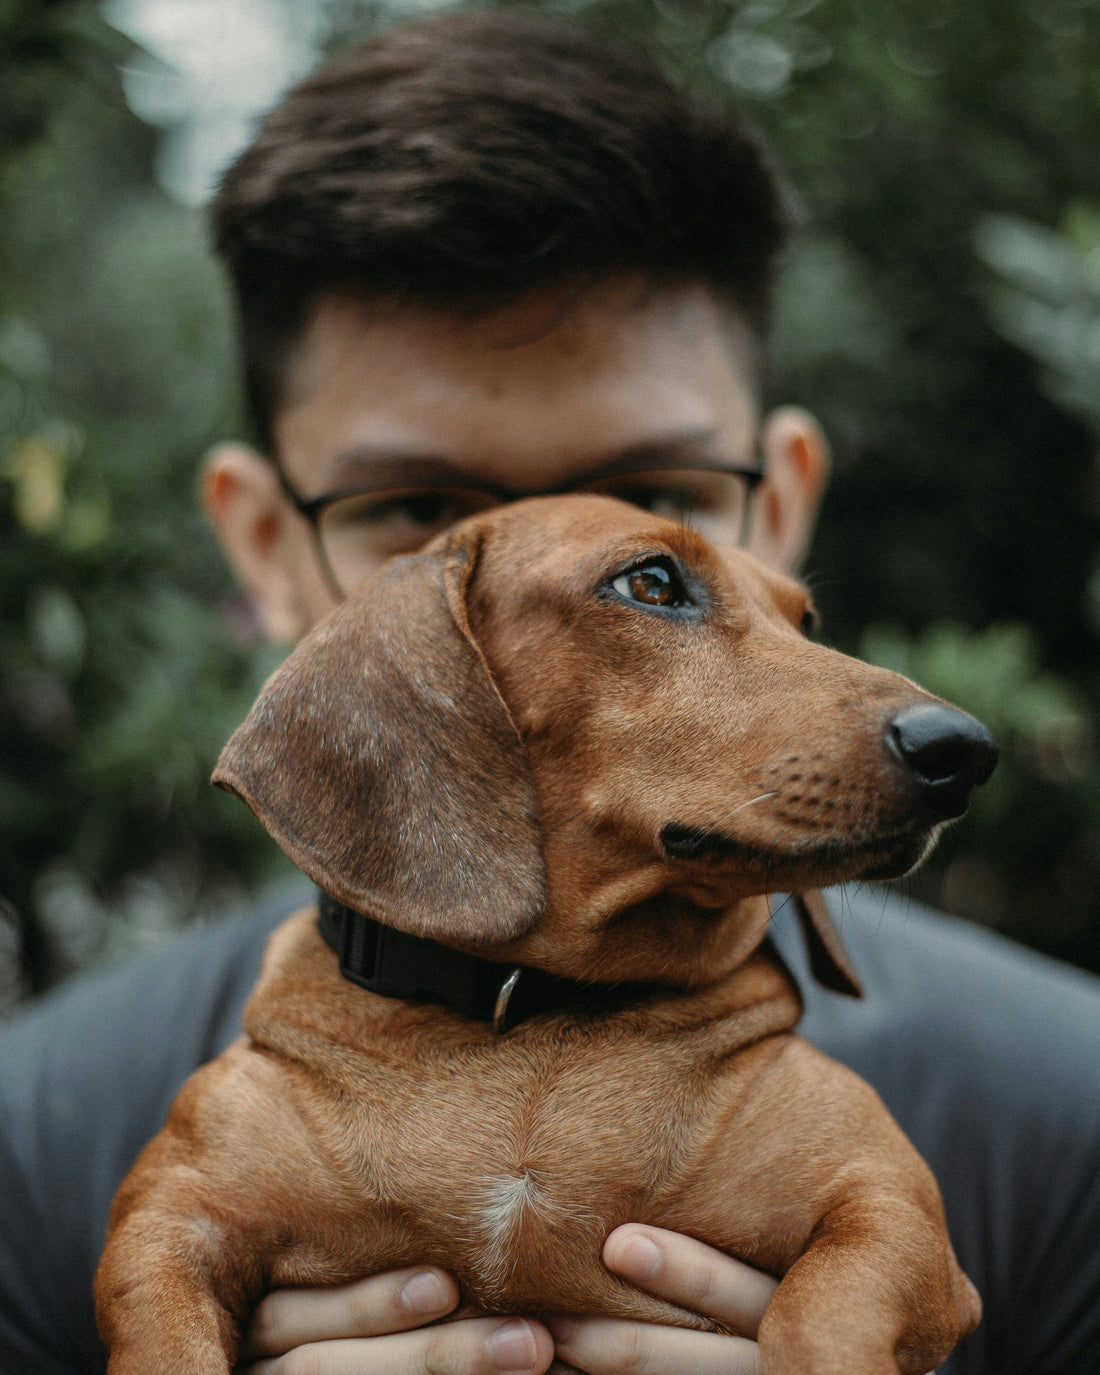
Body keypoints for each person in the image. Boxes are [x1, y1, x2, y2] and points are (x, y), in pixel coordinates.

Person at [2, 11, 1099, 1375]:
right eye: (414, 506)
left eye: (654, 513)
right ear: (264, 547)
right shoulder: (28, 1143)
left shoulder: (1078, 1115)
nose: (507, 587)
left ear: (788, 505)